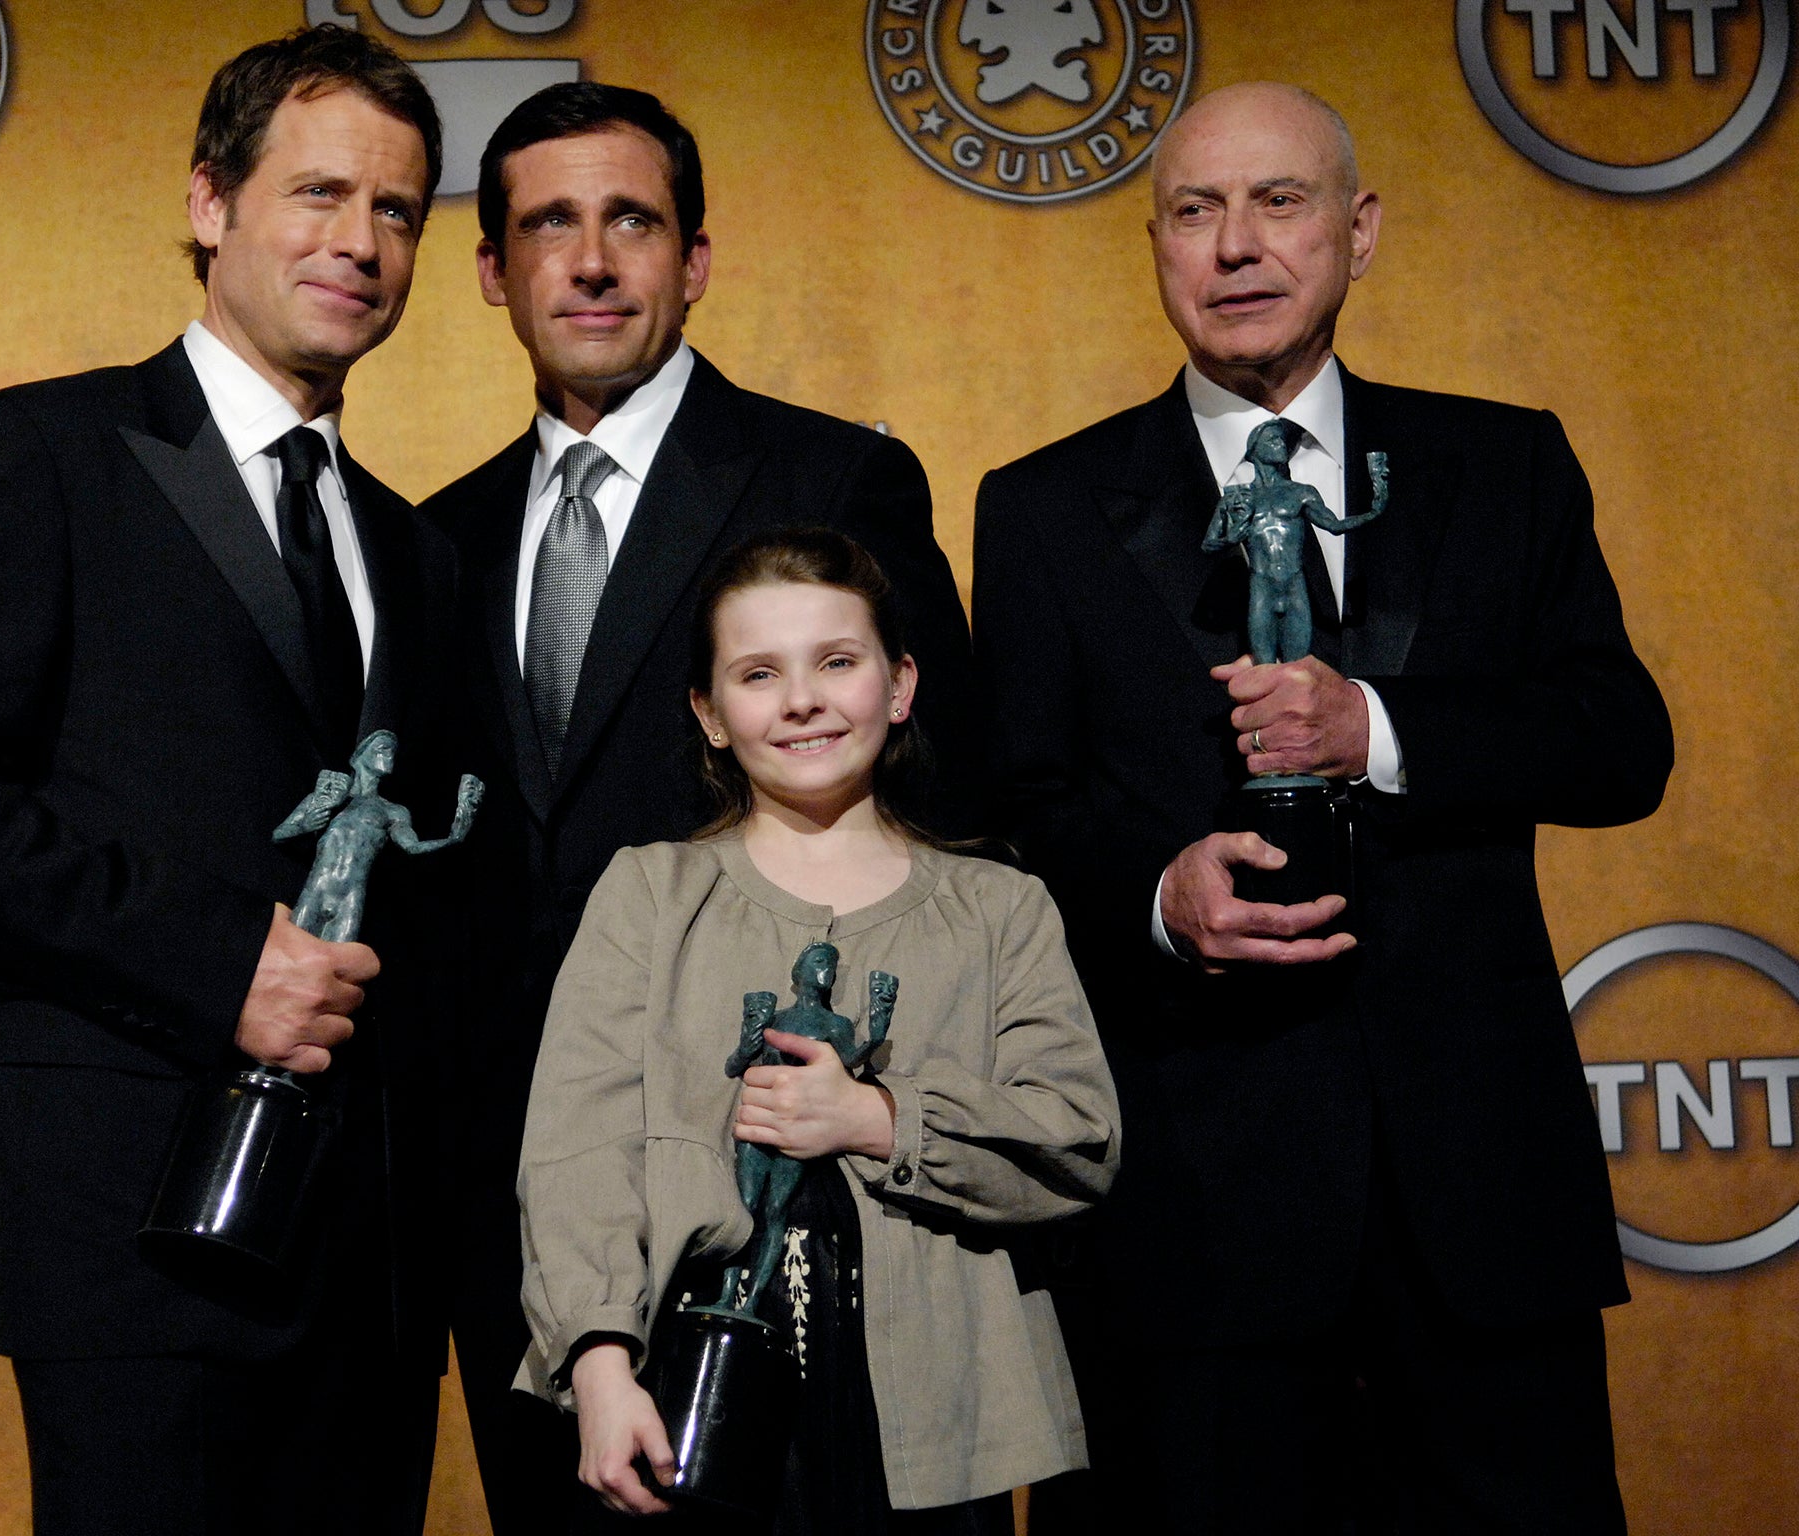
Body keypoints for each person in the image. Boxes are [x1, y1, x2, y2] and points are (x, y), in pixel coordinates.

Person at [973, 81, 1671, 1532]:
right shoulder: (1040, 506)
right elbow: (1009, 812)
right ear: (1157, 245)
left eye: (1278, 203)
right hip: (1190, 1218)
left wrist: (1379, 727)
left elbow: (1619, 743)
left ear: (1358, 233)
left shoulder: (1506, 465)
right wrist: (1159, 897)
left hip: (1479, 1214)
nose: (1235, 246)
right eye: (1194, 210)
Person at [0, 27, 458, 1536]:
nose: (360, 243)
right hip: (131, 1223)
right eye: (319, 193)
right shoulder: (38, 450)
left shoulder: (419, 545)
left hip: (365, 1262)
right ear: (208, 204)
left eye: (397, 211)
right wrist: (215, 959)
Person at [419, 81, 979, 1529]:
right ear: (492, 271)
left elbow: (955, 809)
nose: (591, 260)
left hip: (785, 1189)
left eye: (630, 220)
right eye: (549, 224)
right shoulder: (435, 536)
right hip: (528, 1208)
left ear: (696, 258)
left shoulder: (833, 474)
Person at [517, 528, 1119, 1533]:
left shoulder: (997, 907)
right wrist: (601, 1366)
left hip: (933, 1407)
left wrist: (876, 1119)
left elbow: (1075, 1137)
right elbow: (577, 1151)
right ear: (709, 715)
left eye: (836, 662)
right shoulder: (649, 894)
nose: (801, 700)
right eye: (758, 674)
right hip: (692, 1389)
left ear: (900, 684)